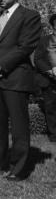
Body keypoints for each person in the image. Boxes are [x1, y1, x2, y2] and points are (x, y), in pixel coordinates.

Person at [0, 0, 42, 180]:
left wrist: (0, 66)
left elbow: (25, 47)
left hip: (16, 77)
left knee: (18, 126)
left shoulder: (30, 16)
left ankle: (19, 169)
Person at [33, 13, 56, 142]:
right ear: (53, 26)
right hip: (49, 81)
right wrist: (50, 72)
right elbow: (38, 59)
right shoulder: (44, 40)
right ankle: (54, 135)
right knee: (51, 108)